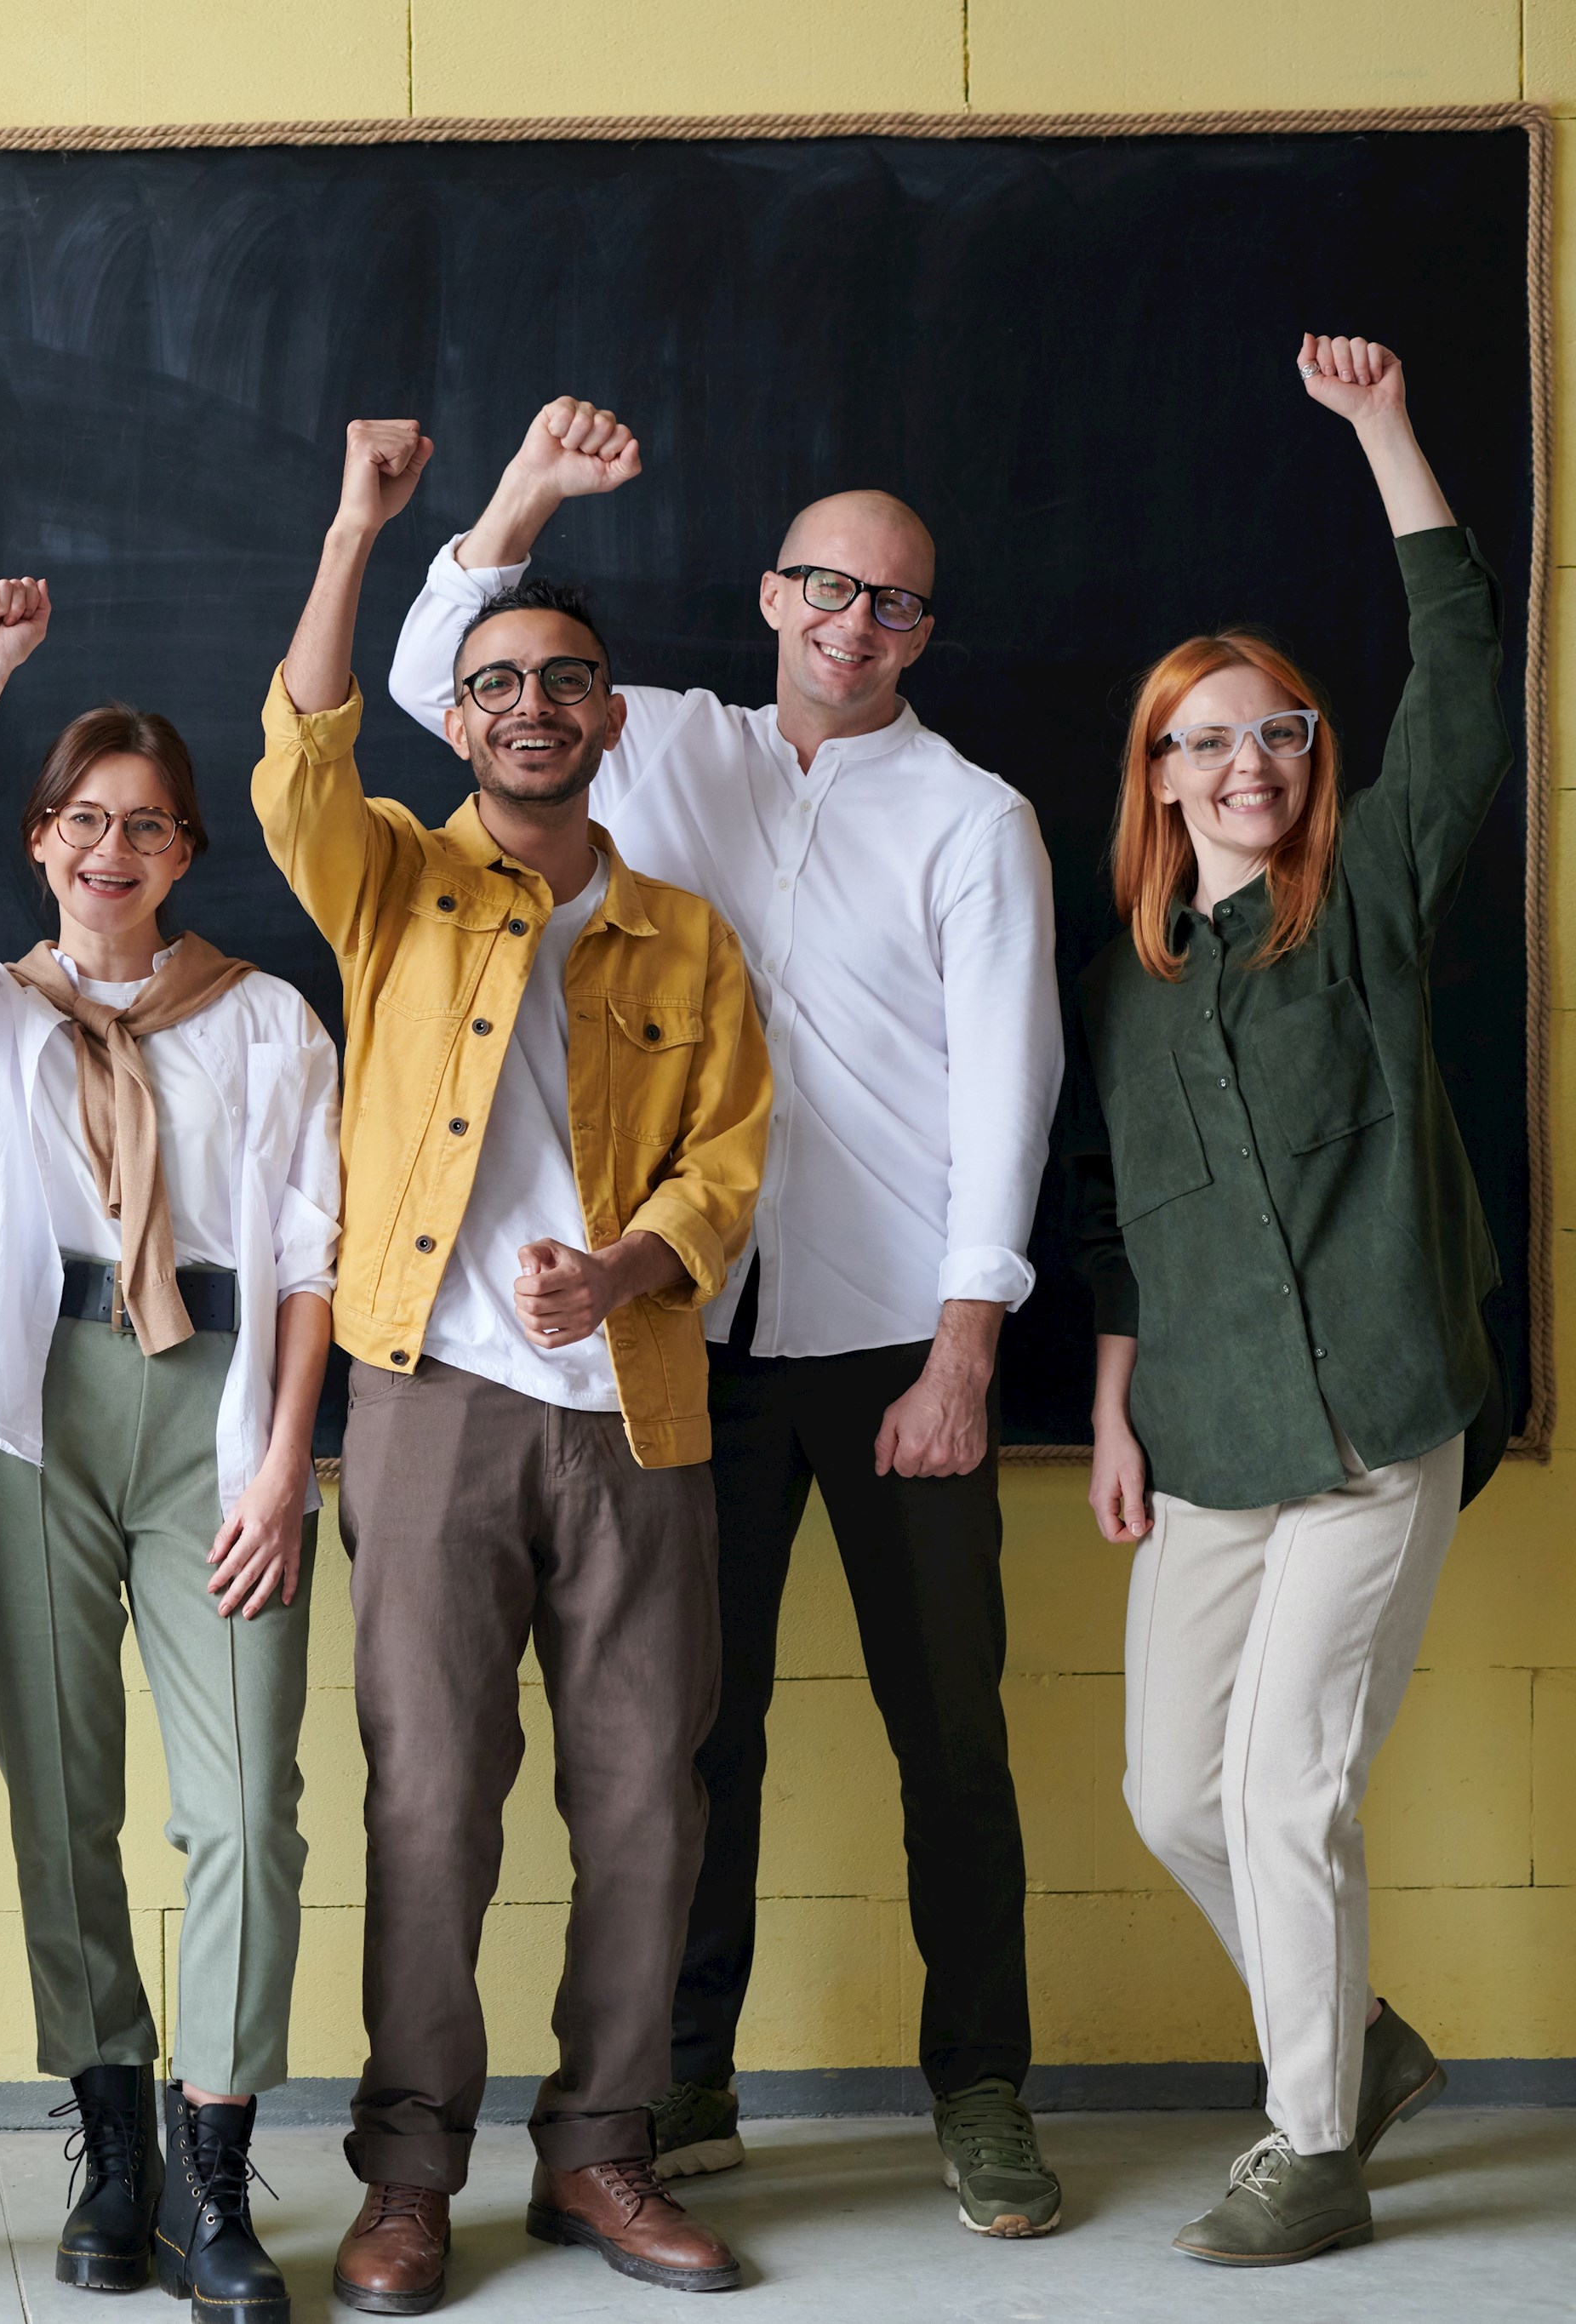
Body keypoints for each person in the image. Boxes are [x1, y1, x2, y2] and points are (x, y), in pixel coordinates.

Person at [391, 397, 1064, 2230]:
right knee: (691, 1732)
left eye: (896, 604)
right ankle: (681, 2073)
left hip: (884, 1335)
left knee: (949, 1727)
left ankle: (981, 2085)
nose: (854, 622)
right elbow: (420, 677)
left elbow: (1008, 1093)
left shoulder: (971, 818)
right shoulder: (651, 741)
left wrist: (963, 1348)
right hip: (678, 1333)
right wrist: (519, 497)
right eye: (827, 586)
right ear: (771, 592)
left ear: (924, 632)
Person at [264, 420, 768, 2310]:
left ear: (608, 713)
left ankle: (602, 2154)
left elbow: (728, 1154)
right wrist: (354, 532)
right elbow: (297, 750)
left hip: (635, 1410)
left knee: (645, 1790)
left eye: (563, 680)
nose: (533, 707)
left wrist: (634, 1259)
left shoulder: (684, 935)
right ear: (456, 720)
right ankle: (406, 2178)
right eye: (496, 684)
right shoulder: (389, 883)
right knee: (428, 1792)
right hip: (426, 1405)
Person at [1078, 335, 1494, 2269]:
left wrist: (1380, 430)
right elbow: (1120, 1225)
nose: (1249, 764)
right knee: (1174, 1794)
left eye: (1281, 734)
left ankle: (1307, 2144)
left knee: (1284, 1793)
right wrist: (1107, 1411)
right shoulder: (1136, 985)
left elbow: (1466, 689)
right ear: (1156, 777)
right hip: (1207, 1440)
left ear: (1312, 763)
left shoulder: (1374, 903)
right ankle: (1362, 2044)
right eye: (1208, 740)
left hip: (1370, 1429)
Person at [0, 580, 340, 2324]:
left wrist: (284, 1458)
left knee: (242, 1809)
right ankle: (109, 2135)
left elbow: (303, 1257)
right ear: (43, 840)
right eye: (80, 822)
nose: (108, 849)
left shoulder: (263, 1017)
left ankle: (213, 2158)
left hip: (212, 1408)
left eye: (141, 825)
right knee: (60, 1800)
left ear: (183, 848)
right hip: (31, 1412)